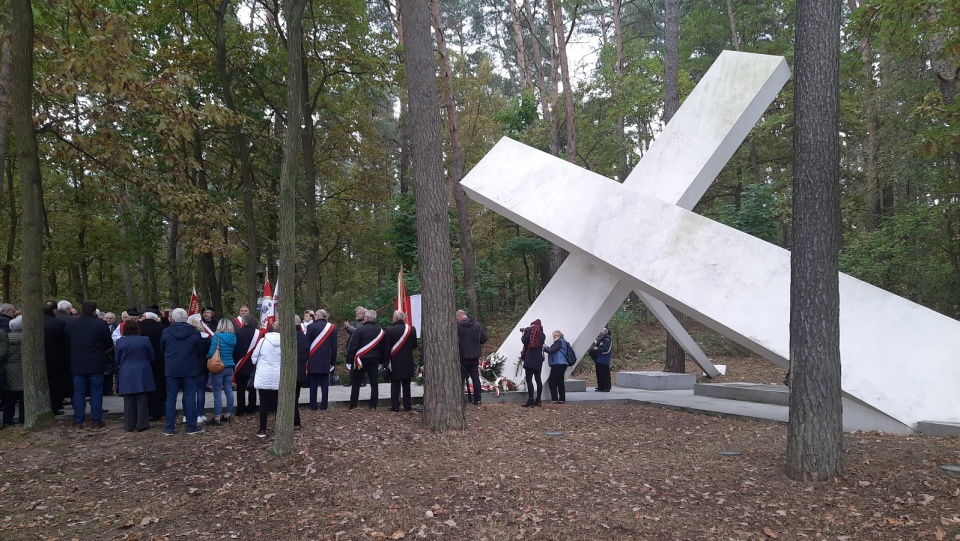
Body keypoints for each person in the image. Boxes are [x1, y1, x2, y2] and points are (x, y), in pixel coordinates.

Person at [64, 300, 113, 429]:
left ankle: (78, 420)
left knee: (78, 393)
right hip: (96, 362)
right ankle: (96, 420)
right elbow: (108, 342)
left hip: (77, 362)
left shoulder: (71, 323)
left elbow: (67, 342)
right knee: (96, 392)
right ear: (93, 311)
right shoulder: (101, 324)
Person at [160, 308, 206, 436]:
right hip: (190, 368)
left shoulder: (166, 332)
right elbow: (200, 351)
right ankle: (191, 426)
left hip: (172, 368)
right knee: (190, 397)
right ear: (186, 318)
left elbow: (162, 349)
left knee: (171, 398)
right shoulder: (194, 332)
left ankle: (169, 427)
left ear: (172, 318)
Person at [251, 318, 300, 437]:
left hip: (263, 375)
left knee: (263, 403)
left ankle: (262, 429)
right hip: (279, 377)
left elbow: (253, 358)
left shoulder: (263, 341)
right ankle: (280, 429)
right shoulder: (287, 343)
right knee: (279, 403)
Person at [115, 320, 156, 432]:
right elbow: (152, 356)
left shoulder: (120, 342)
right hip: (143, 370)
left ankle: (129, 424)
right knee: (142, 398)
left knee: (128, 399)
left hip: (127, 371)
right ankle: (142, 424)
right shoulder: (145, 340)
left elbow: (117, 360)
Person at [346, 309, 385, 410]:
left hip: (361, 360)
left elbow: (353, 346)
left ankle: (353, 405)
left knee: (356, 382)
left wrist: (349, 360)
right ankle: (373, 406)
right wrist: (381, 361)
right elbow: (382, 347)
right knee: (374, 383)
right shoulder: (380, 330)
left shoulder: (359, 330)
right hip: (374, 359)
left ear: (366, 318)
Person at [385, 310, 417, 412]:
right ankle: (407, 405)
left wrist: (386, 362)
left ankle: (395, 406)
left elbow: (387, 348)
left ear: (395, 318)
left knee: (395, 384)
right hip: (407, 360)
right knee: (406, 384)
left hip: (394, 361)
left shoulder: (390, 330)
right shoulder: (412, 329)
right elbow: (414, 345)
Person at [206, 318, 237, 426]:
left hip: (218, 367)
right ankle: (228, 414)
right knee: (229, 390)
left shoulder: (217, 337)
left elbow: (211, 353)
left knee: (217, 393)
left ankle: (217, 417)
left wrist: (207, 357)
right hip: (230, 367)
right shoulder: (233, 337)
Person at [305, 309, 337, 410]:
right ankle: (324, 405)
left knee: (313, 384)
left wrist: (306, 360)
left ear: (318, 316)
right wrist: (333, 362)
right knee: (324, 384)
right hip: (325, 360)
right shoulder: (332, 328)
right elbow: (334, 348)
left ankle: (313, 406)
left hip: (313, 359)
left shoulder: (311, 327)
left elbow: (307, 345)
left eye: (315, 315)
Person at [455, 309, 487, 406]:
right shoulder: (477, 325)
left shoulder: (457, 327)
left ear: (460, 316)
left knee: (461, 379)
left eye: (457, 318)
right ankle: (477, 400)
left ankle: (461, 400)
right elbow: (484, 339)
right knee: (475, 377)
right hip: (474, 355)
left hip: (462, 356)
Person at [43, 300, 69, 414]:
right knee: (55, 383)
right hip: (55, 358)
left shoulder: (33, 323)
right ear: (54, 310)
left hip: (40, 358)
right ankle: (54, 406)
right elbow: (64, 343)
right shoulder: (58, 323)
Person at [140, 310, 167, 421]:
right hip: (159, 361)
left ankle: (146, 411)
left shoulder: (138, 327)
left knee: (145, 387)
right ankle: (159, 411)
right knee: (159, 387)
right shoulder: (161, 328)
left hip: (143, 361)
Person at [187, 314, 212, 424]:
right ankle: (199, 415)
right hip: (202, 367)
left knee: (189, 392)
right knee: (200, 391)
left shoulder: (186, 337)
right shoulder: (206, 338)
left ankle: (187, 414)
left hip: (189, 367)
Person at [232, 314, 259, 415]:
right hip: (253, 365)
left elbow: (234, 350)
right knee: (252, 389)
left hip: (240, 365)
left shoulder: (237, 333)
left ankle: (240, 409)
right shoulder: (259, 334)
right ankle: (252, 409)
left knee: (240, 389)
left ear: (243, 322)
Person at [2, 316, 24, 427]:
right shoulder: (26, 339)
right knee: (23, 398)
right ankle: (22, 420)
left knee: (9, 400)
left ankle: (7, 420)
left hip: (9, 369)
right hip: (23, 369)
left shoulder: (6, 338)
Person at [520, 319, 546, 407]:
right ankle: (538, 399)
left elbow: (524, 341)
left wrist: (524, 334)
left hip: (530, 357)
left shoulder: (530, 331)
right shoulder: (543, 335)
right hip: (538, 359)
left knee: (529, 379)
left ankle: (531, 399)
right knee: (538, 379)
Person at [543, 330, 573, 404]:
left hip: (558, 364)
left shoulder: (559, 342)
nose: (553, 337)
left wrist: (543, 347)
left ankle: (554, 399)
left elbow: (551, 351)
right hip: (563, 364)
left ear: (558, 335)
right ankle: (562, 399)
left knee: (552, 381)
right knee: (560, 381)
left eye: (554, 335)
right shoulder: (564, 342)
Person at [590, 328, 613, 392]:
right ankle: (601, 386)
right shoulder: (599, 340)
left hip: (604, 360)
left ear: (603, 333)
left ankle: (606, 387)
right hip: (598, 359)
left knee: (604, 374)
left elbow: (607, 350)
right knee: (599, 374)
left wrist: (597, 349)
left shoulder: (607, 340)